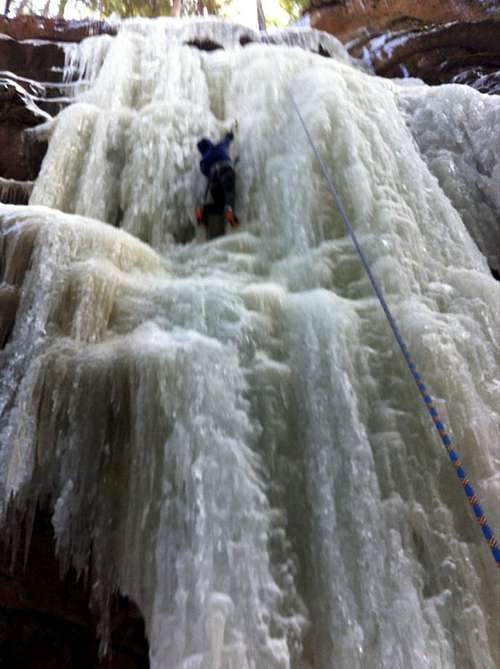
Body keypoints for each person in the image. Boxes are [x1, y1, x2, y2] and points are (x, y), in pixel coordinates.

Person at [196, 127, 239, 238]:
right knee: (229, 196)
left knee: (219, 204)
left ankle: (204, 210)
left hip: (214, 180)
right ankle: (230, 212)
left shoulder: (203, 160)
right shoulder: (221, 145)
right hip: (226, 171)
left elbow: (206, 173)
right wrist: (230, 134)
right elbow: (228, 138)